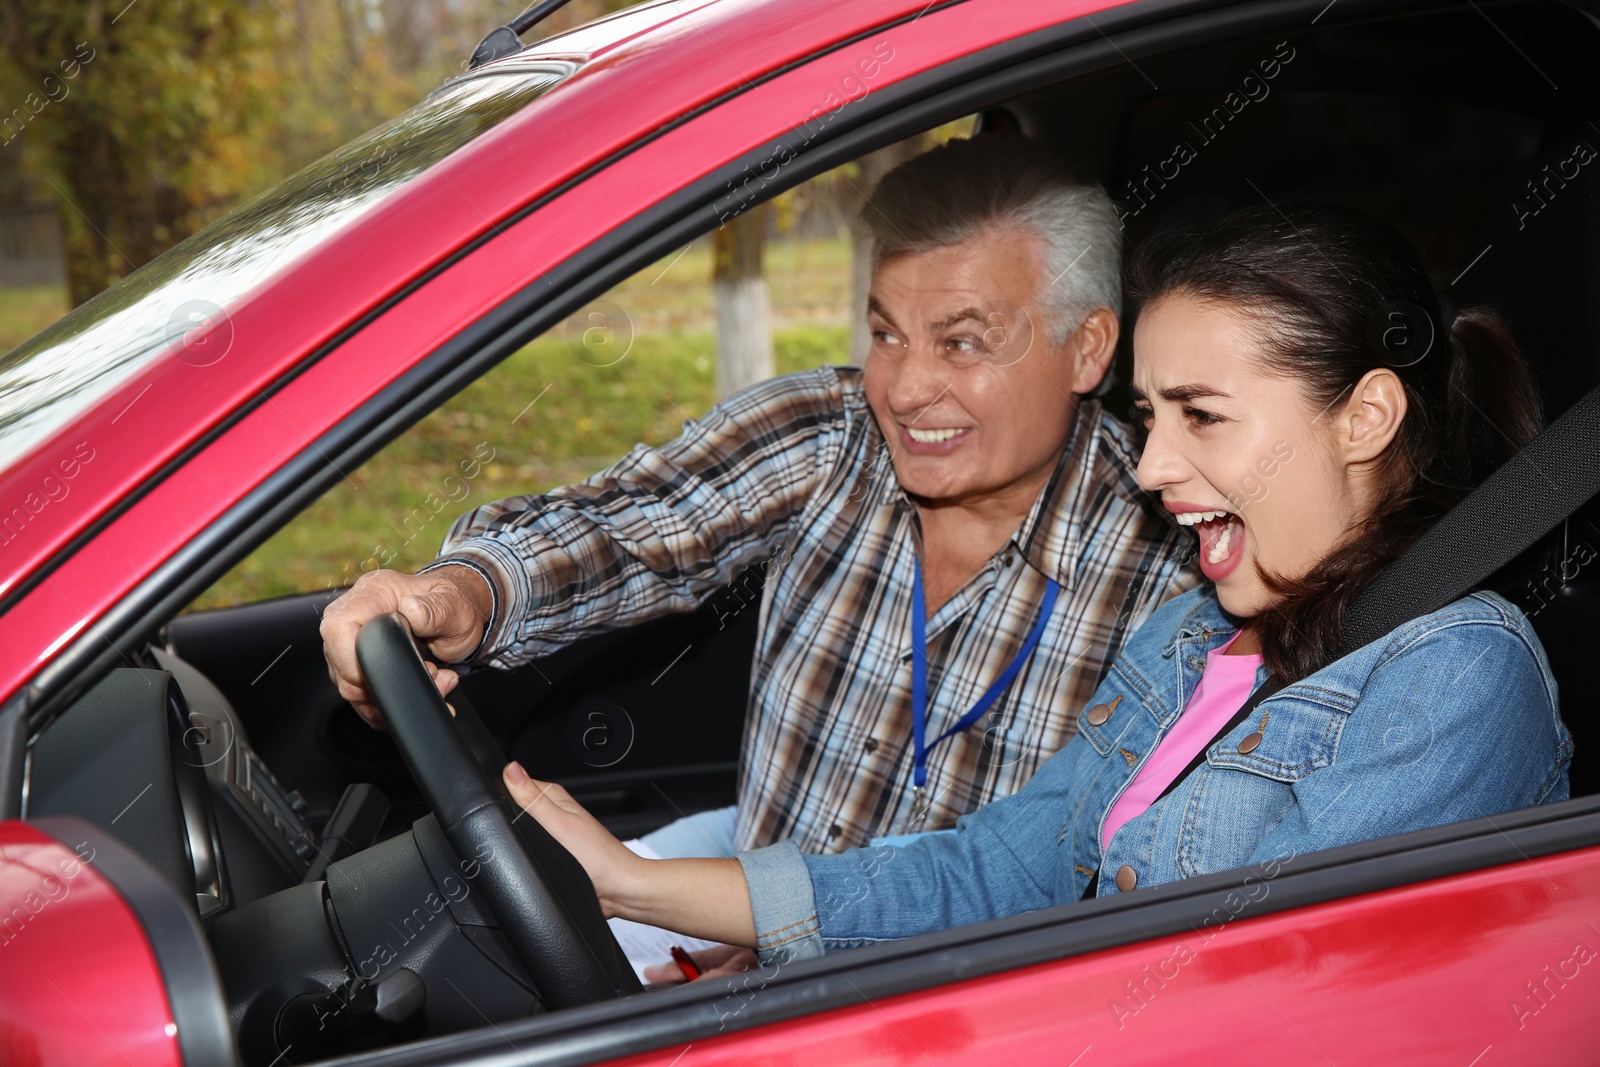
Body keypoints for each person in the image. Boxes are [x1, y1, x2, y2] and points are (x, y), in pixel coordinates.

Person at [497, 203, 1573, 966]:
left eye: (1201, 415)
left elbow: (1255, 996)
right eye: (1150, 418)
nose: (1150, 467)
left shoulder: (1454, 675)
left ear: (1366, 418)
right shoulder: (1188, 637)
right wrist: (635, 885)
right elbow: (991, 871)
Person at [321, 138, 1198, 877]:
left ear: (1086, 349)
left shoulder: (1173, 573)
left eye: (962, 342)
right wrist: (463, 594)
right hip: (748, 881)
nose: (905, 386)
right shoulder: (829, 433)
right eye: (886, 332)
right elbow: (632, 526)